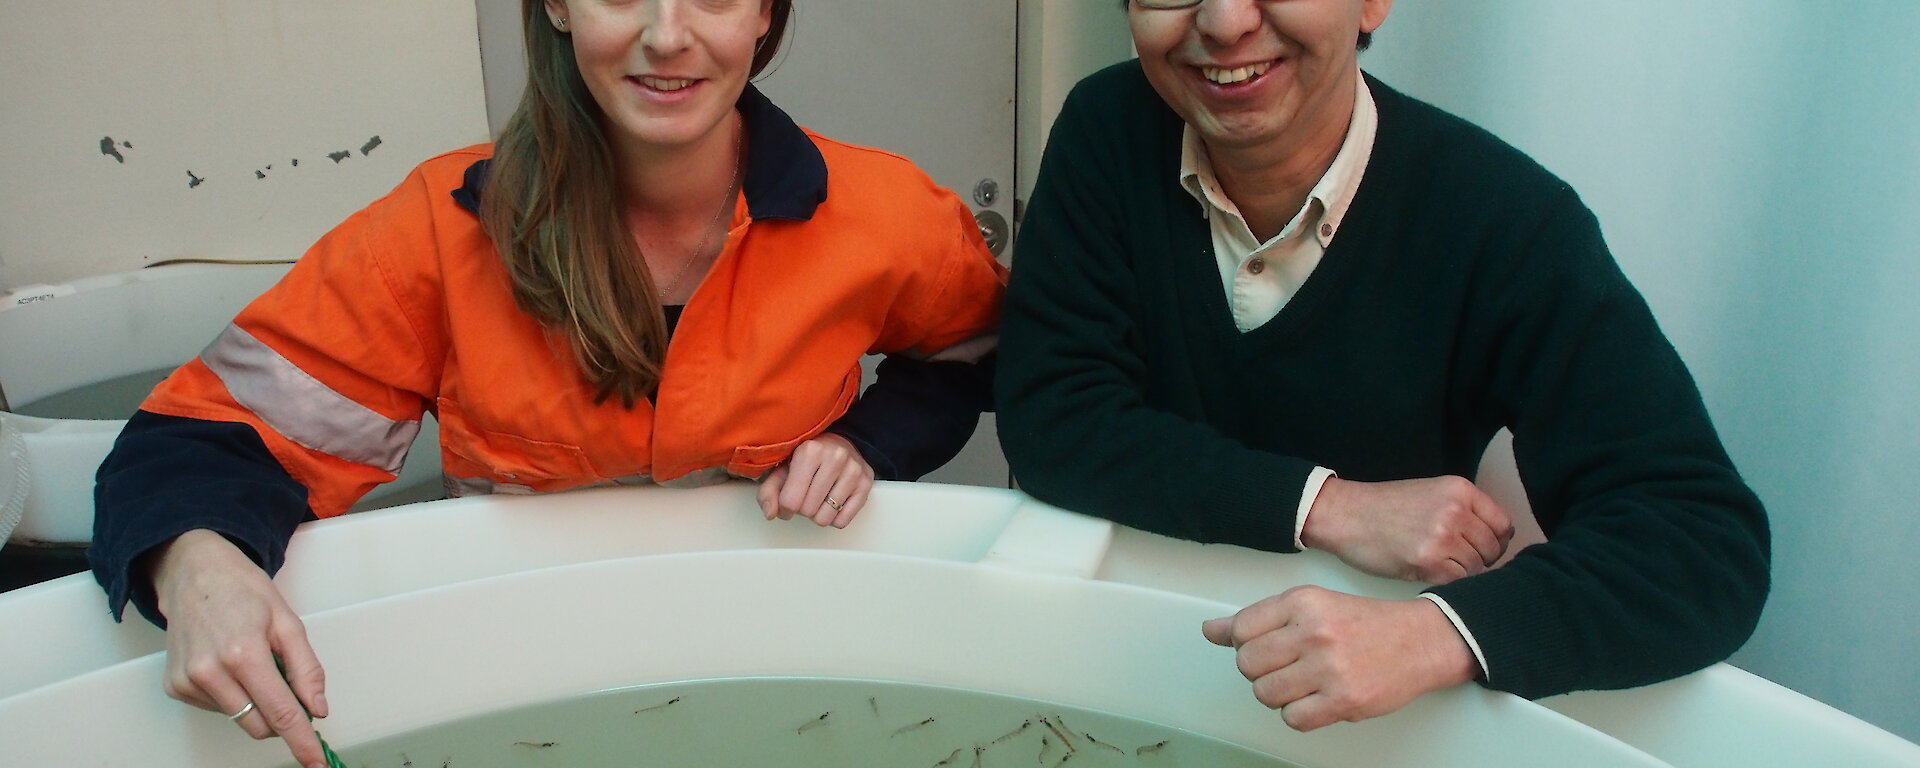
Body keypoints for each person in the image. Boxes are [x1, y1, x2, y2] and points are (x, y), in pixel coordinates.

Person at [87, 2, 1006, 766]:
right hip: (526, 687)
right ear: (558, 5)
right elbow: (203, 435)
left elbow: (973, 347)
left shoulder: (884, 214)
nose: (668, 34)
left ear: (765, 12)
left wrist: (866, 445)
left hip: (787, 677)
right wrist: (196, 558)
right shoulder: (439, 237)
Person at [996, 0, 1769, 731]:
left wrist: (1440, 635)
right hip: (1128, 657)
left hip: (1363, 715)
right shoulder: (1108, 127)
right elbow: (1055, 415)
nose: (1225, 21)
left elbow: (1699, 544)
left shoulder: (1503, 219)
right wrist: (1329, 506)